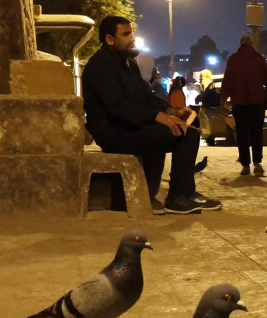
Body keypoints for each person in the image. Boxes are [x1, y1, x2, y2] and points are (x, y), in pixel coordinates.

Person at [81, 15, 220, 215]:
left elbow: (146, 96)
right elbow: (118, 107)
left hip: (130, 127)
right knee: (184, 136)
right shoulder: (99, 66)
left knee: (189, 131)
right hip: (114, 133)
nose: (132, 38)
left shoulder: (128, 63)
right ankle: (177, 197)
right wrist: (158, 117)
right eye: (126, 34)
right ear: (109, 39)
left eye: (132, 33)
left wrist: (174, 111)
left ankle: (187, 193)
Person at [220, 33, 267, 177]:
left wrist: (223, 102)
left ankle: (245, 165)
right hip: (257, 103)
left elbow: (227, 83)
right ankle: (257, 163)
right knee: (257, 134)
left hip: (239, 103)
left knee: (242, 135)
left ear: (240, 44)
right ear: (250, 43)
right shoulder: (259, 59)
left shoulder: (233, 60)